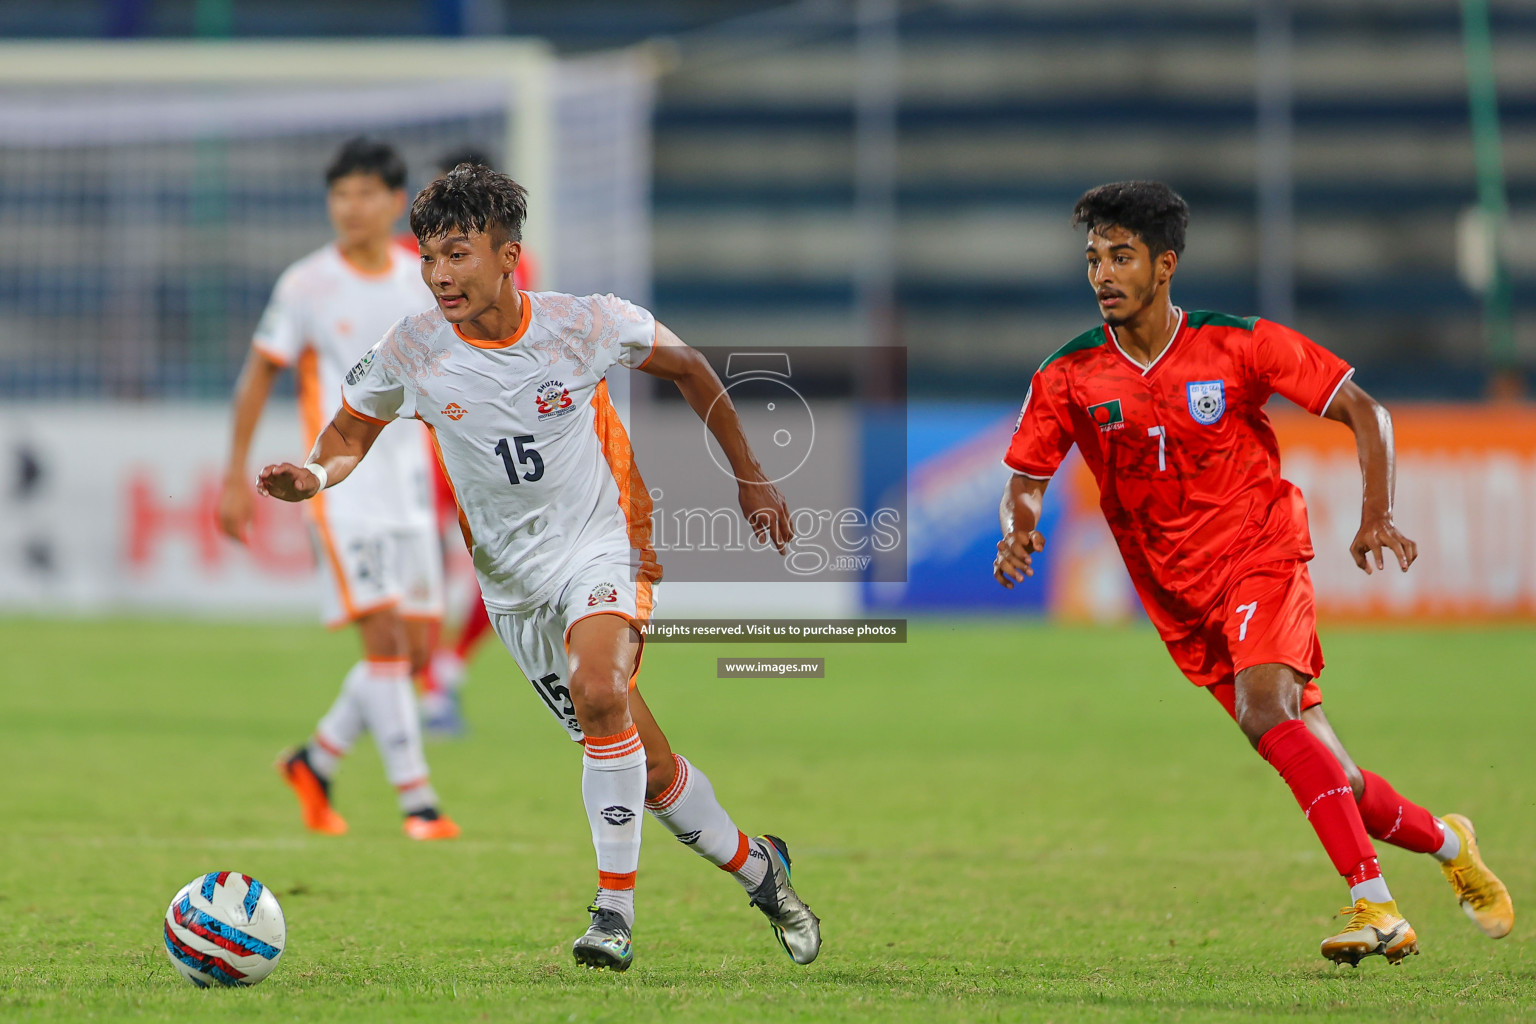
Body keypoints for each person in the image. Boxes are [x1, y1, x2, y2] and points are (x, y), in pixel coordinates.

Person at [254, 164, 821, 971]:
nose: (441, 274)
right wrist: (312, 475)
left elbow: (691, 368)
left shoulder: (584, 325)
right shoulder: (413, 347)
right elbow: (348, 434)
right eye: (429, 258)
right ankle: (765, 871)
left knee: (599, 692)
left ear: (508, 253)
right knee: (648, 768)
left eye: (459, 253)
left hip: (607, 542)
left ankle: (613, 915)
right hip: (513, 588)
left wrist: (751, 476)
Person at [994, 181, 1514, 966]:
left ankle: (1373, 905)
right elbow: (1027, 477)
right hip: (1176, 595)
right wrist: (1018, 530)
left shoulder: (1239, 344)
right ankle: (1449, 840)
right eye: (1094, 258)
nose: (1103, 274)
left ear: (1164, 265)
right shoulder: (1068, 375)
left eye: (1122, 257)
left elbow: (1365, 411)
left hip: (1259, 552)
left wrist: (1377, 512)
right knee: (1331, 771)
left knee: (1264, 710)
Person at [217, 137, 458, 842]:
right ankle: (420, 803)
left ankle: (315, 761)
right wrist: (235, 473)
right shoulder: (306, 284)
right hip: (340, 483)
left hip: (410, 484)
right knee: (383, 642)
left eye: (364, 194)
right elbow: (260, 373)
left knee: (414, 654)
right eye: (339, 195)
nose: (350, 208)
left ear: (394, 201)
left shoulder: (423, 279)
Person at [404, 147, 539, 737]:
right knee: (434, 561)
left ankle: (443, 675)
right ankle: (434, 683)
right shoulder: (426, 260)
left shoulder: (506, 268)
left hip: (491, 435)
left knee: (502, 564)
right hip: (443, 433)